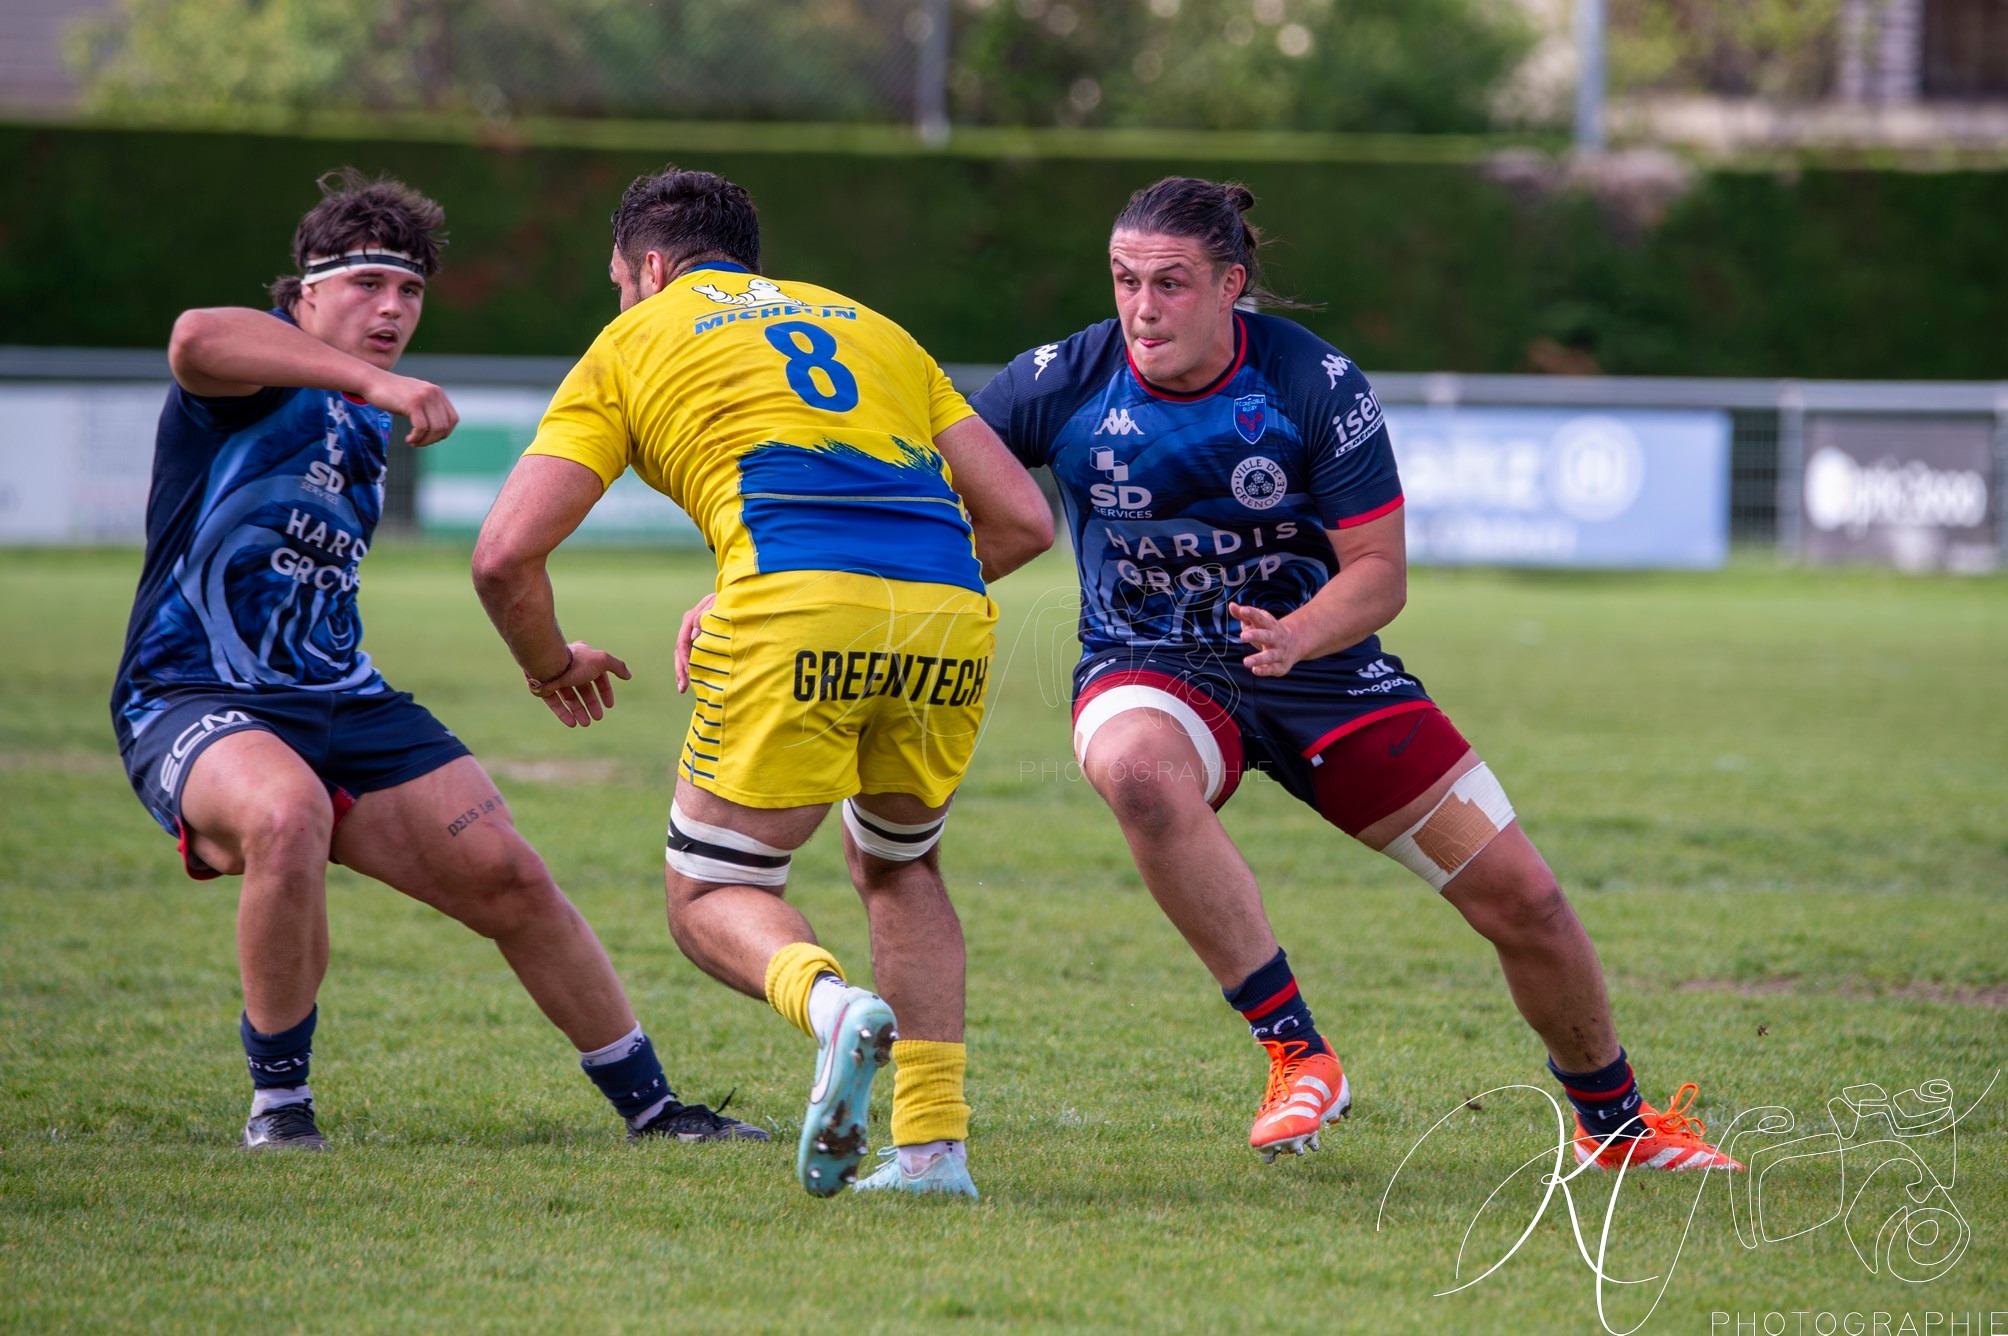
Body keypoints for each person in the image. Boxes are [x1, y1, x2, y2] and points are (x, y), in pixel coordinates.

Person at [962, 176, 1740, 1172]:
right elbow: (923, 500)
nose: (1142, 309)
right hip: (1147, 660)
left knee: (1524, 901)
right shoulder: (1060, 379)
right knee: (1138, 772)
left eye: (1170, 283)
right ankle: (1297, 1056)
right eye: (1124, 281)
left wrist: (1295, 633)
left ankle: (1617, 1126)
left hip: (1323, 668)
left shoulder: (1311, 381)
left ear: (1230, 284)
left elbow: (1378, 575)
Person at [111, 168, 764, 1151]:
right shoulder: (248, 387)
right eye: (368, 284)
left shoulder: (365, 421)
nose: (392, 308)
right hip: (194, 696)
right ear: (305, 294)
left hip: (342, 698)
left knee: (509, 875)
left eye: (409, 290)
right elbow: (194, 337)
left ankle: (655, 1109)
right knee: (285, 814)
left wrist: (553, 659)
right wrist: (373, 378)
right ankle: (280, 1111)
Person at [471, 166, 1053, 1198]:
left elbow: (504, 555)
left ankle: (834, 1013)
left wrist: (551, 666)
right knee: (902, 865)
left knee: (712, 891)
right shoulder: (871, 326)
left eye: (618, 282)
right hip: (947, 614)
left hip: (791, 608)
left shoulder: (635, 337)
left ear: (648, 267)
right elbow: (1021, 521)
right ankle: (931, 1150)